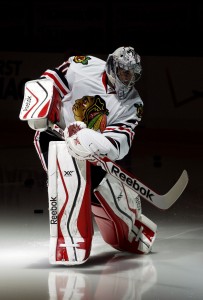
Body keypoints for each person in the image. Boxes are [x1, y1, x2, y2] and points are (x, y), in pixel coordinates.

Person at [21, 46, 157, 264]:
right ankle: (69, 242)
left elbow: (119, 144)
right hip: (54, 136)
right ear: (112, 65)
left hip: (92, 150)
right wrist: (40, 106)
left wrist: (86, 139)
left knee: (106, 192)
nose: (128, 79)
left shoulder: (133, 104)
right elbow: (49, 80)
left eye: (133, 74)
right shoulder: (82, 65)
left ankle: (130, 230)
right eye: (125, 72)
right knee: (69, 180)